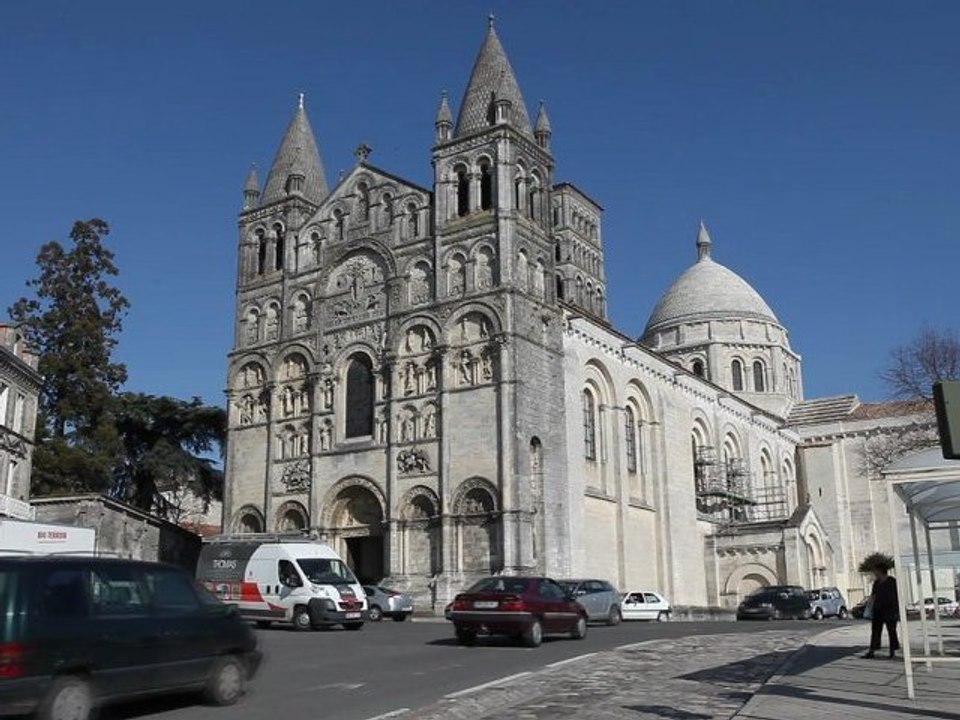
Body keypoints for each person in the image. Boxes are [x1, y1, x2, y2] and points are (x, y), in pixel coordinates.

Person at [863, 564, 901, 659]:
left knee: (891, 630)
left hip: (890, 610)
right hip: (878, 610)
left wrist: (897, 610)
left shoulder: (892, 581)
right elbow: (873, 595)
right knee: (875, 630)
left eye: (876, 571)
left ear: (880, 571)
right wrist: (869, 607)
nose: (874, 573)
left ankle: (893, 651)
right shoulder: (876, 583)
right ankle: (872, 650)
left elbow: (897, 595)